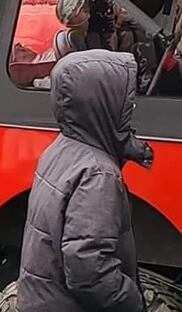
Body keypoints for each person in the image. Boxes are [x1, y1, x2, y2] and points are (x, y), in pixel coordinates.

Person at [17, 50, 153, 312]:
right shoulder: (98, 173)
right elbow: (88, 269)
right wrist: (134, 302)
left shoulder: (61, 149)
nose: (132, 107)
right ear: (101, 104)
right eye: (126, 100)